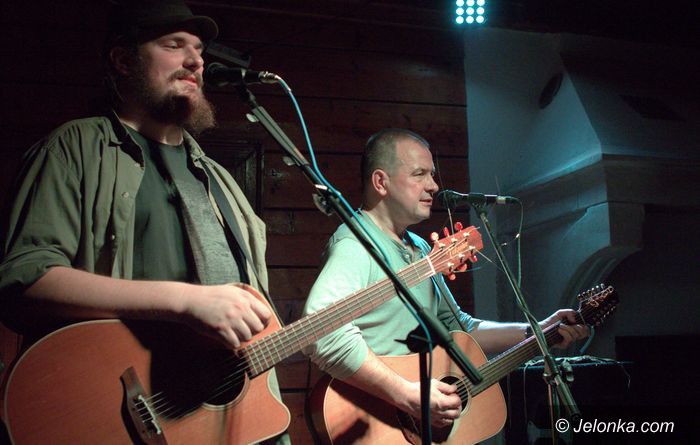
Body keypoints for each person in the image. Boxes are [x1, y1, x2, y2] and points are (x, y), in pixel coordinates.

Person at [0, 1, 288, 443]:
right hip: (112, 413)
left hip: (213, 423)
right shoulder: (75, 148)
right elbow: (24, 279)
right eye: (174, 45)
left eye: (199, 50)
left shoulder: (218, 179)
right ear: (123, 60)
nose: (196, 61)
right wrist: (183, 301)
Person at [302, 128, 590, 428]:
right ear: (380, 182)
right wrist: (407, 395)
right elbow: (321, 332)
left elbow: (458, 328)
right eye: (419, 174)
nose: (434, 186)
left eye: (432, 175)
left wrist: (538, 330)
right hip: (374, 422)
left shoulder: (419, 248)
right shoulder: (355, 246)